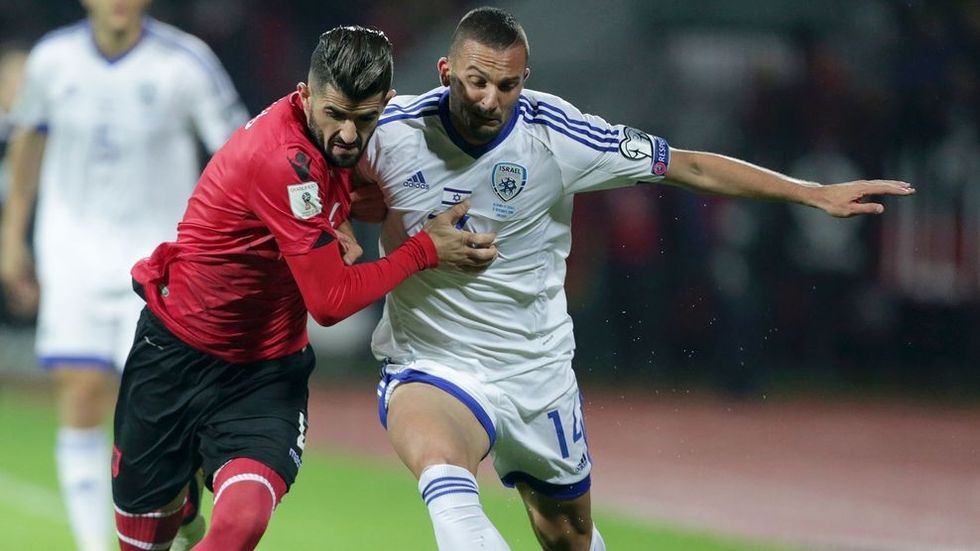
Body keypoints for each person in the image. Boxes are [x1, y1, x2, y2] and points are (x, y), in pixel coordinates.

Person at [355, 7, 915, 550]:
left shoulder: (558, 135)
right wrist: (331, 224)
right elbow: (296, 154)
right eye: (476, 81)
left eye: (506, 86)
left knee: (567, 536)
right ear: (446, 71)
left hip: (534, 370)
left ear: (525, 79)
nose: (489, 100)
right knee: (443, 472)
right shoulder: (390, 130)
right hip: (432, 359)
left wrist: (808, 192)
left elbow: (688, 165)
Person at [109, 25, 496, 551]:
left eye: (364, 119)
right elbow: (331, 302)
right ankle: (181, 507)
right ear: (305, 94)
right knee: (142, 539)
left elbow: (368, 192)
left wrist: (345, 212)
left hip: (264, 373)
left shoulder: (349, 139)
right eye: (334, 114)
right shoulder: (281, 157)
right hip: (176, 353)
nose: (348, 135)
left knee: (242, 524)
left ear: (385, 102)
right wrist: (425, 249)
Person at [0, 1, 248, 549]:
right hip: (71, 254)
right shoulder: (53, 59)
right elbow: (27, 141)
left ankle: (179, 507)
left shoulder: (186, 62)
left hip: (159, 261)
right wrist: (12, 234)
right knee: (81, 390)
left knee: (156, 416)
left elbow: (239, 150)